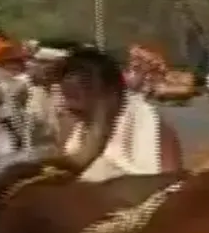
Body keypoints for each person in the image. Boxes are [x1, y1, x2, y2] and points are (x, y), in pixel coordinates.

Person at [61, 45, 184, 180]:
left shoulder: (153, 130)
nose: (69, 105)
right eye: (67, 96)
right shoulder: (80, 132)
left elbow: (169, 186)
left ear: (110, 95)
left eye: (75, 96)